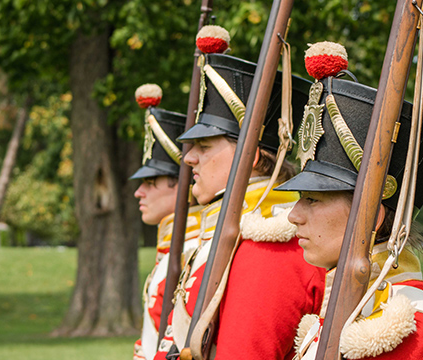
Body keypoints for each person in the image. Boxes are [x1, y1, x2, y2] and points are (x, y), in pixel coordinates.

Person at [275, 42, 423, 359]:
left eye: (313, 200)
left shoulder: (414, 332)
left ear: (370, 217)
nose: (294, 215)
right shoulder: (349, 308)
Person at [154, 26, 327, 360]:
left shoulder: (269, 244)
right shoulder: (227, 234)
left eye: (204, 146)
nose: (189, 158)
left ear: (254, 157)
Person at [131, 84, 203, 360]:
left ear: (182, 186)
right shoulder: (171, 252)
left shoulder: (191, 252)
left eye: (150, 183)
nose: (139, 192)